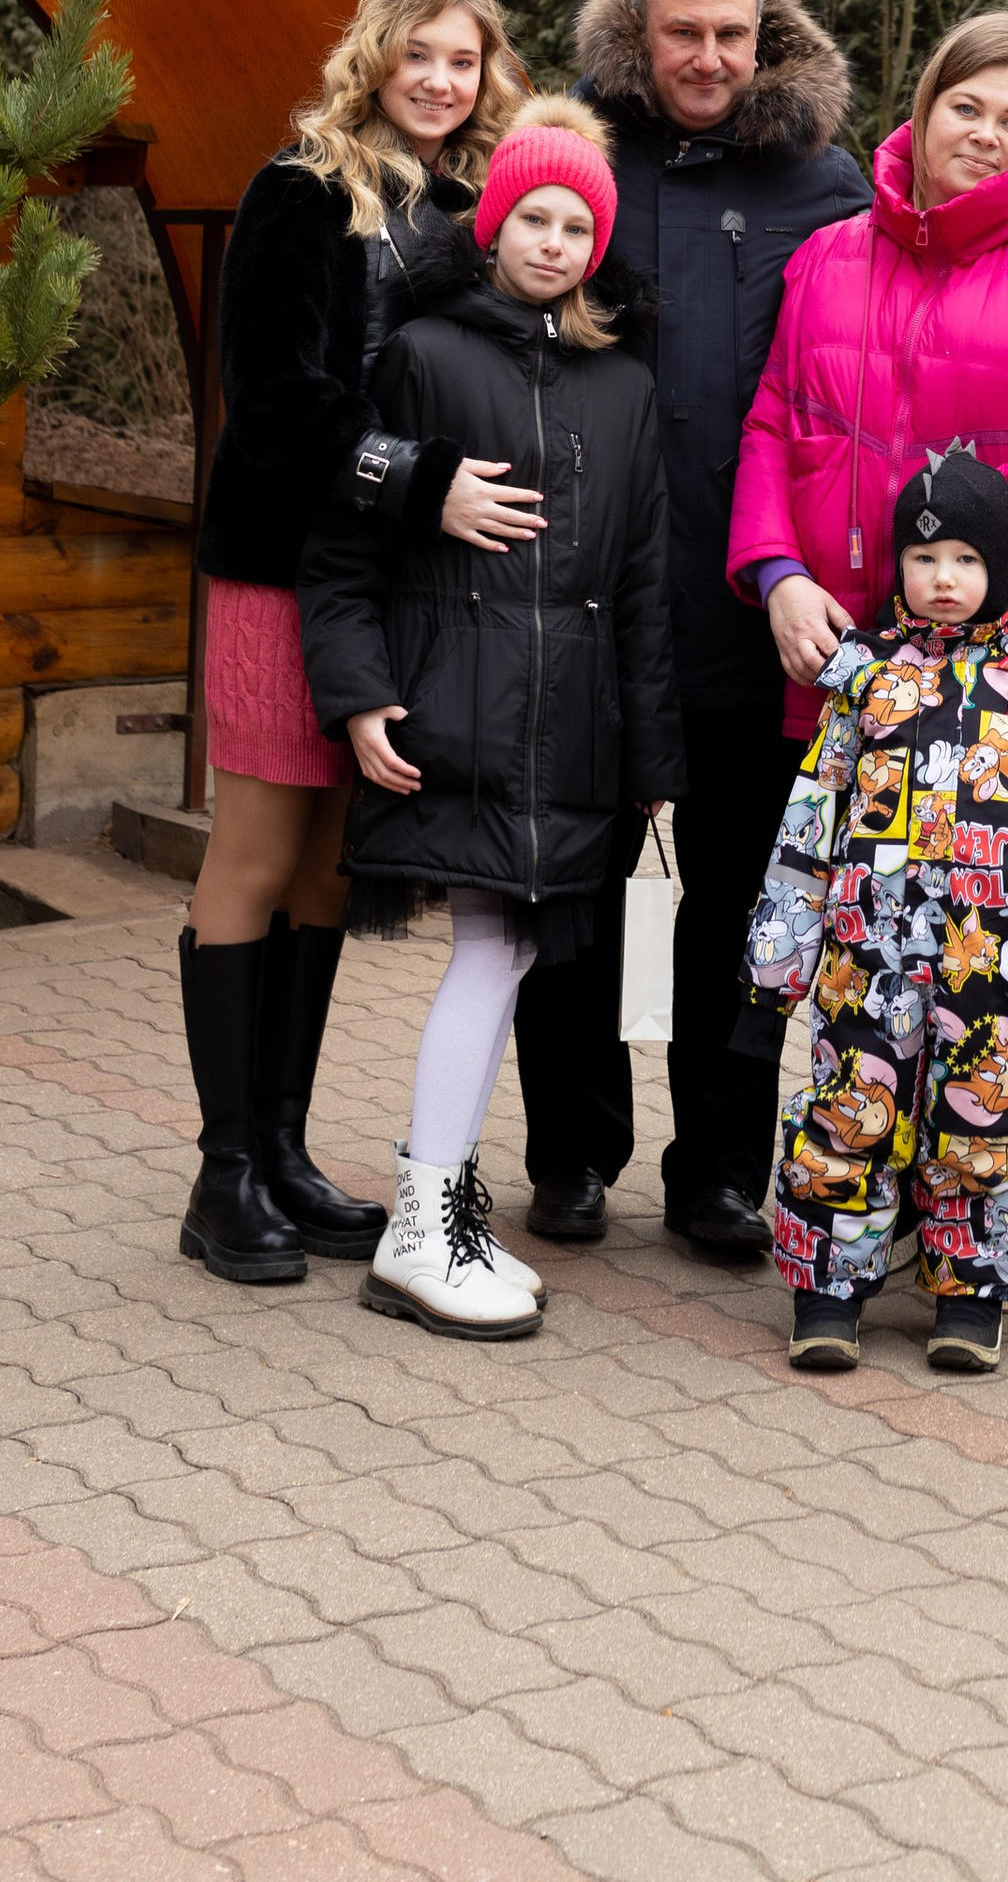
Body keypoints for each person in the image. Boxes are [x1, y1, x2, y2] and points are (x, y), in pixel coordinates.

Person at [728, 8, 1008, 1302]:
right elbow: (774, 428)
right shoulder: (828, 260)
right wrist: (778, 576)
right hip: (869, 681)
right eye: (964, 107)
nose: (982, 136)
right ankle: (860, 1209)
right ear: (921, 109)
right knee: (870, 955)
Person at [294, 99, 684, 1338]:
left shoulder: (623, 390)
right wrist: (357, 698)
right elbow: (342, 553)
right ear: (494, 224)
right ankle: (424, 1225)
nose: (554, 240)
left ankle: (442, 1212)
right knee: (487, 952)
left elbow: (640, 585)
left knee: (508, 954)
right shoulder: (422, 357)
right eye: (532, 216)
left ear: (597, 245)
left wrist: (652, 756)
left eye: (578, 224)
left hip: (568, 737)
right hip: (454, 718)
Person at [509, 0, 867, 1263]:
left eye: (729, 35)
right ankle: (571, 1157)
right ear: (638, 38)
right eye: (682, 37)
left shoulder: (822, 183)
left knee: (739, 910)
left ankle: (721, 1168)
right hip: (582, 599)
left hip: (752, 604)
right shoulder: (574, 156)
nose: (707, 61)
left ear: (762, 35)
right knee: (574, 898)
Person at [177, 0, 534, 1286]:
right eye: (421, 55)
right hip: (279, 565)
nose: (442, 81)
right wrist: (419, 480)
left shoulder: (462, 212)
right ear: (376, 57)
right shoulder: (299, 191)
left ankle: (282, 1151)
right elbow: (274, 401)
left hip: (388, 587)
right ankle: (221, 1179)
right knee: (260, 850)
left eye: (465, 61)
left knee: (334, 861)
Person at [734, 445, 1008, 1378]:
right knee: (849, 1113)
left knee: (983, 1122)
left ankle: (969, 1295)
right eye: (924, 560)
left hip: (993, 964)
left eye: (966, 559)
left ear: (999, 566)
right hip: (863, 959)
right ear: (898, 570)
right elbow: (810, 824)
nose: (944, 580)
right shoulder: (864, 682)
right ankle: (828, 1290)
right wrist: (773, 970)